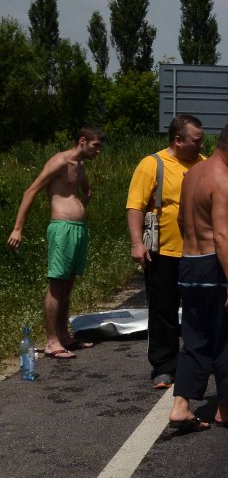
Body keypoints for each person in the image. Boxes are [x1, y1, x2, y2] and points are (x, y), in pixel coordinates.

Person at [167, 118, 228, 432]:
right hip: (216, 267)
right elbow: (222, 236)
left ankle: (181, 407)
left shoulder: (192, 174)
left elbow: (181, 220)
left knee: (195, 339)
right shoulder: (224, 181)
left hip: (189, 265)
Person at [7, 126, 104, 359]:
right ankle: (51, 342)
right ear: (82, 141)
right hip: (61, 229)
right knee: (56, 284)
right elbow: (31, 191)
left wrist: (81, 206)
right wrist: (18, 229)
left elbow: (86, 191)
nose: (99, 151)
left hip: (78, 229)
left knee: (68, 284)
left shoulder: (80, 166)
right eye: (96, 146)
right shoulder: (59, 162)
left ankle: (63, 336)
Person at [126, 114, 205, 389]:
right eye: (196, 140)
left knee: (200, 311)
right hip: (163, 252)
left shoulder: (203, 164)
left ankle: (200, 361)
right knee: (163, 311)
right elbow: (135, 205)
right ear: (178, 139)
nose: (201, 145)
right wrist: (137, 243)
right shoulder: (152, 164)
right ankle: (164, 366)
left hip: (198, 251)